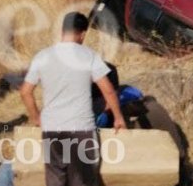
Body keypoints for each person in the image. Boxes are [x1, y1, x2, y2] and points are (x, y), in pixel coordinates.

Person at [20, 12, 126, 186]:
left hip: (52, 130)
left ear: (63, 31)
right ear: (83, 34)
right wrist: (118, 117)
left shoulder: (42, 56)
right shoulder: (89, 56)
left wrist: (36, 117)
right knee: (82, 181)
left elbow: (25, 92)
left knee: (56, 180)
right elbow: (108, 91)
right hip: (81, 130)